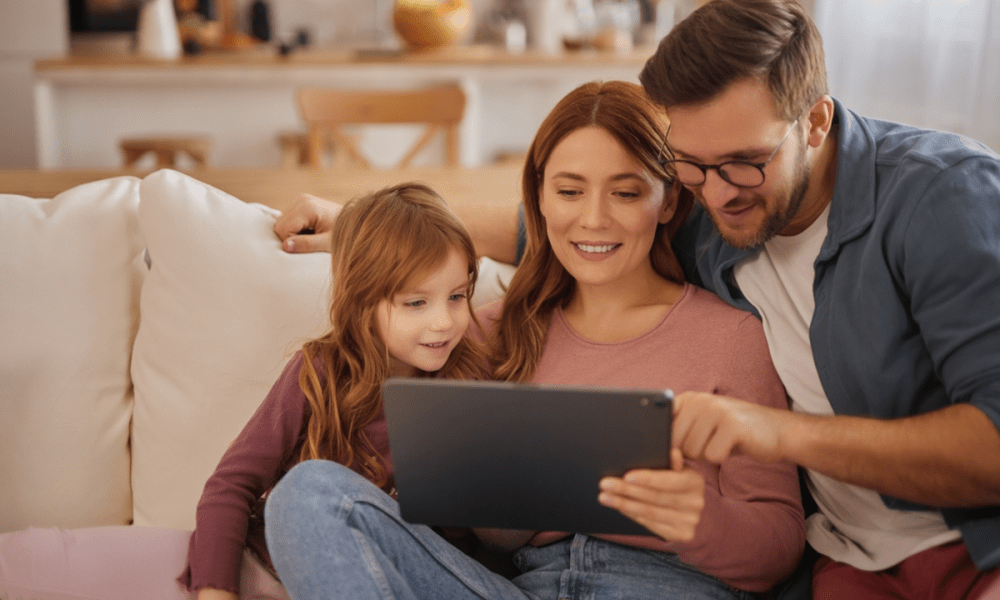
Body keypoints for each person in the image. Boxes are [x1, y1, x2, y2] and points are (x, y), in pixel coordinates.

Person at [273, 3, 1000, 597]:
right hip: (836, 558)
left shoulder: (940, 200)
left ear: (815, 123)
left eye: (744, 163)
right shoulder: (714, 216)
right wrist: (370, 221)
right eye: (693, 167)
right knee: (309, 497)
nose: (718, 192)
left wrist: (759, 454)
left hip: (963, 542)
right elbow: (557, 224)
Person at [264, 80, 805, 600]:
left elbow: (779, 551)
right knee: (308, 495)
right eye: (569, 191)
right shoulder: (481, 334)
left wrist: (702, 518)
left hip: (666, 584)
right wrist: (498, 508)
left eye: (625, 192)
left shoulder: (731, 337)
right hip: (520, 586)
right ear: (540, 199)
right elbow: (470, 536)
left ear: (667, 202)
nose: (593, 219)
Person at [0, 182, 490, 600]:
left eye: (457, 296)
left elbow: (463, 552)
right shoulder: (320, 372)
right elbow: (231, 485)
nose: (444, 322)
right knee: (32, 561)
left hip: (377, 580)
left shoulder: (470, 383)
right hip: (260, 563)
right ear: (362, 301)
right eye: (416, 303)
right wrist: (216, 589)